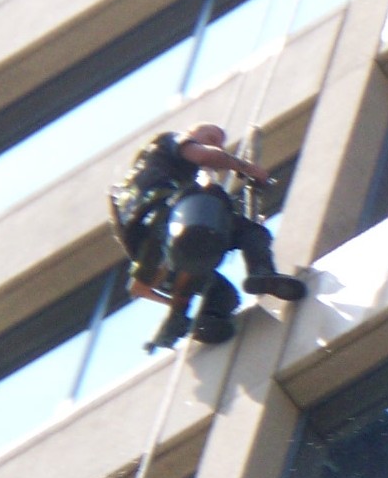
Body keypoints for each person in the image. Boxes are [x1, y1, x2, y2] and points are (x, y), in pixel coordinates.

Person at [109, 124, 306, 346]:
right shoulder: (168, 142)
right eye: (212, 137)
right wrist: (247, 168)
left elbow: (139, 287)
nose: (217, 145)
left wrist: (172, 302)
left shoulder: (137, 184)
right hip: (179, 221)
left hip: (159, 254)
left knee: (223, 295)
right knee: (248, 229)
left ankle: (204, 322)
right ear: (191, 134)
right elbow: (202, 155)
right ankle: (261, 273)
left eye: (220, 143)